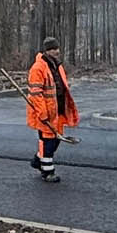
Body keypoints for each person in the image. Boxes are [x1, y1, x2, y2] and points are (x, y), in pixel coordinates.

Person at [25, 36, 78, 182]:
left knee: (56, 139)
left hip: (57, 111)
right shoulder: (37, 68)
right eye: (53, 49)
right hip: (45, 112)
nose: (56, 51)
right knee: (47, 141)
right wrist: (42, 113)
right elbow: (35, 94)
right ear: (46, 51)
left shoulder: (57, 65)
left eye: (57, 48)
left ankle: (37, 160)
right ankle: (47, 172)